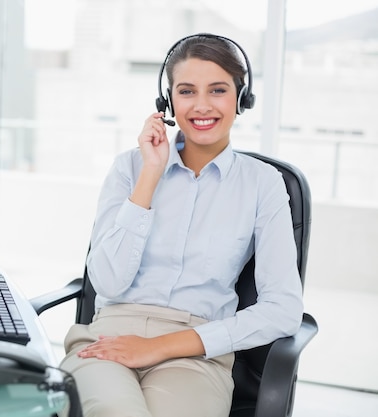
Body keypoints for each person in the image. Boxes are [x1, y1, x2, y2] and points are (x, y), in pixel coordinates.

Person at [59, 33, 304, 417]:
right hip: (108, 338)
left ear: (241, 99)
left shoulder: (263, 183)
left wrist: (161, 345)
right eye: (187, 91)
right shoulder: (131, 167)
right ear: (168, 100)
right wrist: (150, 176)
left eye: (218, 90)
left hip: (196, 353)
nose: (202, 105)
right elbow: (106, 282)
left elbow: (284, 308)